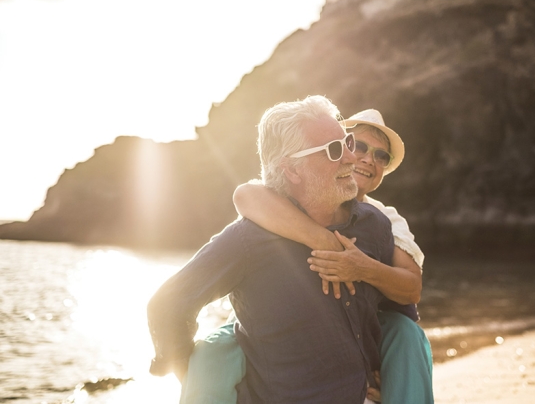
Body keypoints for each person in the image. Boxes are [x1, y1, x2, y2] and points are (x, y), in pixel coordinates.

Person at [148, 96, 400, 404]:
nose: (351, 158)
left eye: (347, 142)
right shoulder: (249, 241)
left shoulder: (374, 226)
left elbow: (393, 313)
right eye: (335, 150)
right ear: (292, 170)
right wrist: (190, 376)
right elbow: (167, 305)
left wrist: (391, 374)